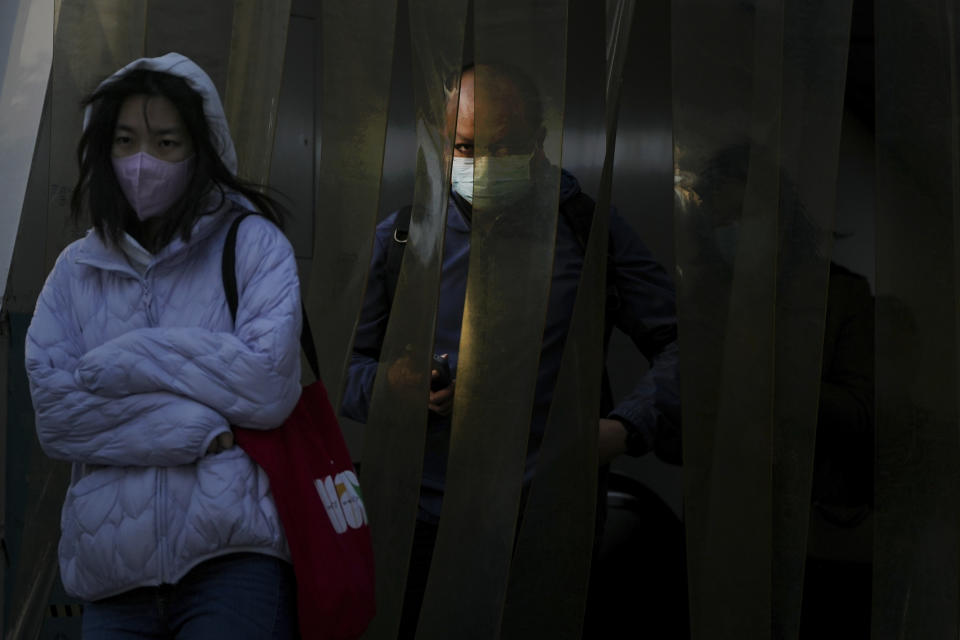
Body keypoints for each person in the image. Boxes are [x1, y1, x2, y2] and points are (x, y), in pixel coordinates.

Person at [341, 63, 681, 637]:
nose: (482, 165)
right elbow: (341, 369)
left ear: (539, 144)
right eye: (466, 147)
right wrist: (391, 387)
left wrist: (624, 428)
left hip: (544, 514)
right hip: (422, 514)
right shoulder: (404, 239)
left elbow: (682, 343)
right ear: (444, 145)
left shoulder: (585, 230)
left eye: (504, 148)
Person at [24, 53, 302, 639]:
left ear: (202, 150)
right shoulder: (77, 270)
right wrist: (197, 429)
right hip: (111, 573)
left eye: (166, 142)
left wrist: (133, 358)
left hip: (234, 558)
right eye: (125, 141)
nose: (142, 162)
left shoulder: (253, 244)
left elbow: (268, 387)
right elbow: (58, 418)